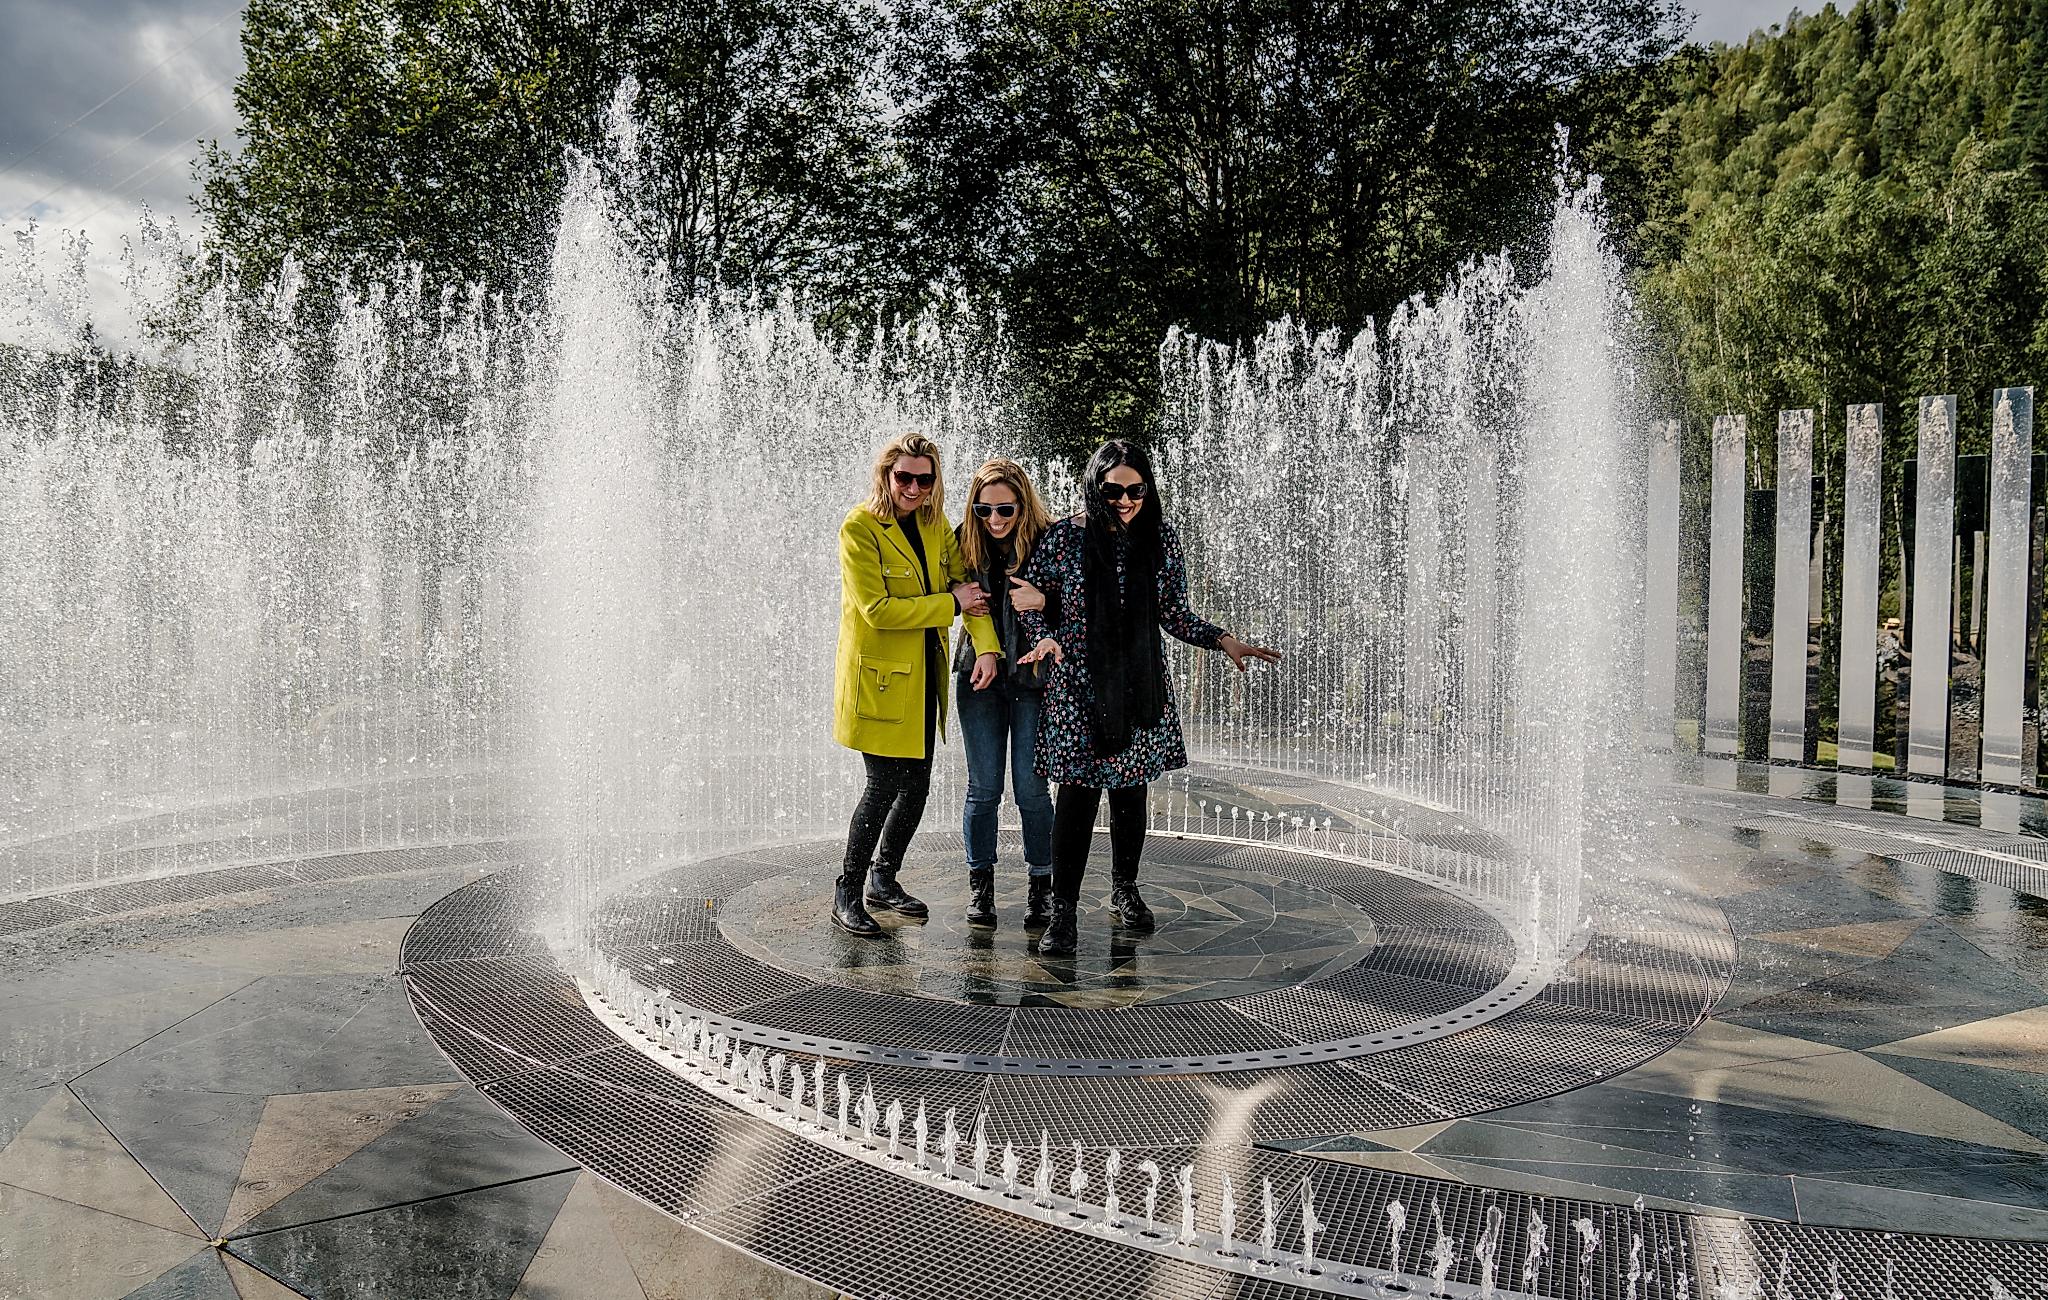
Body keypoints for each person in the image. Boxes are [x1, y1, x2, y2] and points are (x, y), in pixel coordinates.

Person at [1017, 439, 1281, 957]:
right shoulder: (1064, 540)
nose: (1124, 500)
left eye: (1135, 490)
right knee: (1076, 798)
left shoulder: (1159, 538)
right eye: (1112, 489)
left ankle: (1125, 890)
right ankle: (1063, 914)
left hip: (1139, 683)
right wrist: (1040, 635)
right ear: (1095, 486)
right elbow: (1029, 596)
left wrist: (1220, 638)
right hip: (1077, 687)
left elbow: (1173, 612)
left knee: (1130, 793)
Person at [832, 432, 1001, 937]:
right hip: (879, 684)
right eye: (904, 476)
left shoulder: (932, 525)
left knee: (918, 785)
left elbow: (967, 585)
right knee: (883, 786)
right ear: (886, 475)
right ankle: (847, 890)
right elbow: (878, 610)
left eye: (924, 479)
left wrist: (987, 646)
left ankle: (883, 879)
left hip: (923, 678)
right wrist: (950, 604)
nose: (913, 488)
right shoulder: (860, 527)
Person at [953, 458, 1057, 930]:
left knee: (1032, 789)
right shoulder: (961, 540)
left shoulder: (1049, 541)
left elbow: (1079, 598)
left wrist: (1046, 602)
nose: (993, 520)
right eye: (983, 509)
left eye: (1004, 510)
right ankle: (981, 885)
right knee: (984, 787)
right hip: (980, 676)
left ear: (1023, 504)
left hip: (1035, 680)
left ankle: (1042, 887)